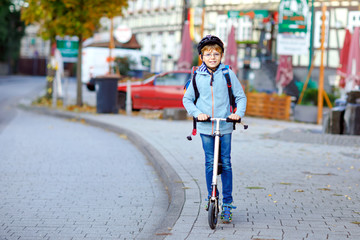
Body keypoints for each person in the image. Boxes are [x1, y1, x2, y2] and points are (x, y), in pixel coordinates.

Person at [182, 35, 247, 223]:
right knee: (210, 162)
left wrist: (237, 114)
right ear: (202, 56)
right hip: (205, 125)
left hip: (224, 124)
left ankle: (227, 203)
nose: (212, 57)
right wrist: (196, 113)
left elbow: (240, 96)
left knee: (225, 163)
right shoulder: (197, 75)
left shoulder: (227, 73)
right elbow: (187, 99)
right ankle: (212, 195)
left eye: (216, 54)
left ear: (222, 56)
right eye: (208, 54)